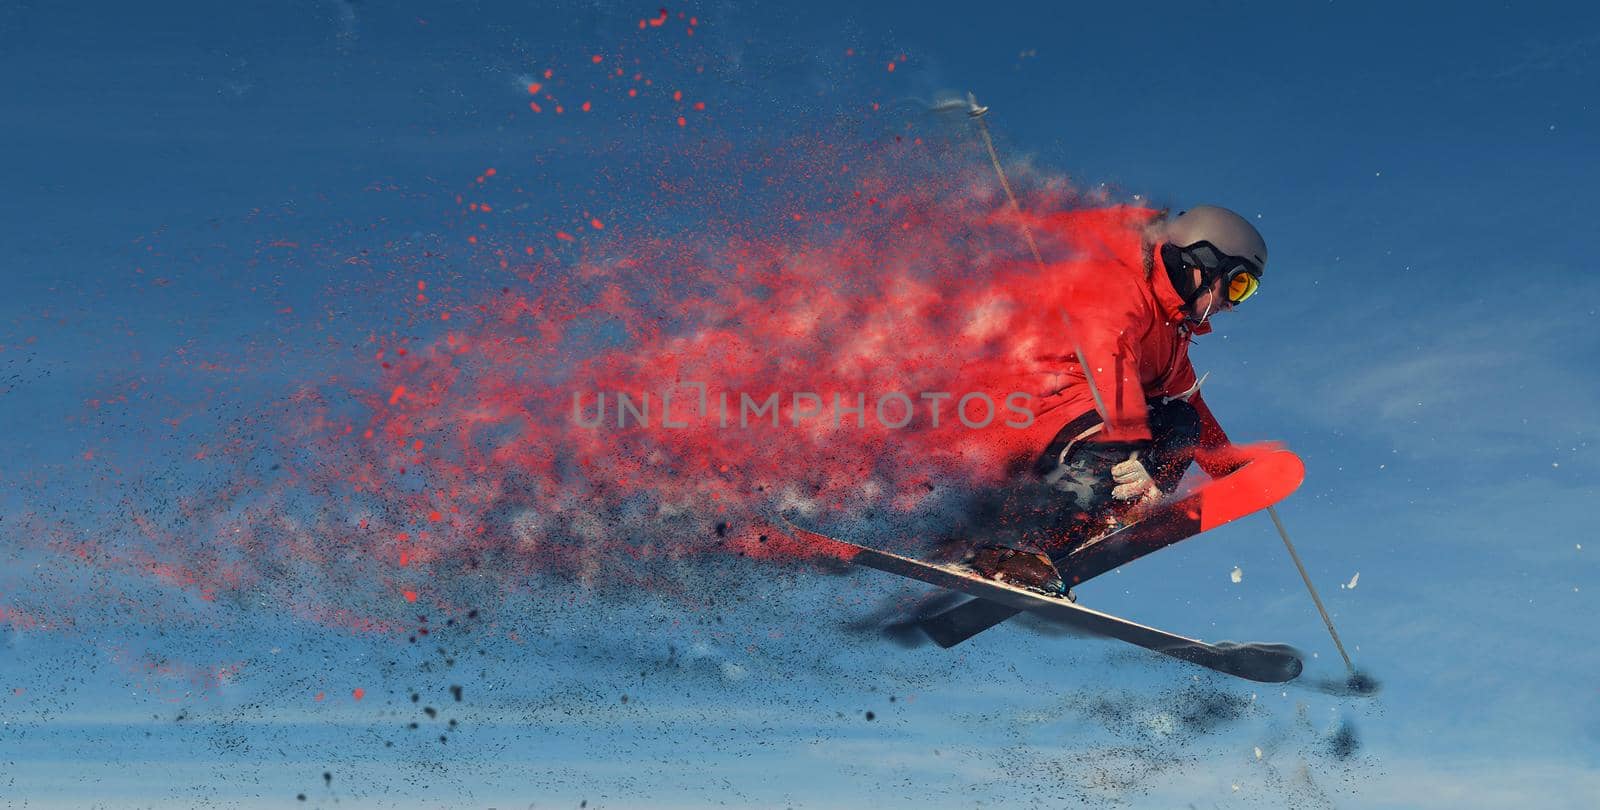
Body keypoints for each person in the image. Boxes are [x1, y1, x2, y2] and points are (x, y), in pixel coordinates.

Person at [966, 205, 1268, 596]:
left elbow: (1188, 401)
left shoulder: (1172, 333)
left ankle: (1071, 533)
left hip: (1075, 424)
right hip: (1020, 414)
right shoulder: (1123, 286)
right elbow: (1108, 356)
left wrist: (1228, 465)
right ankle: (1013, 544)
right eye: (1238, 284)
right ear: (1203, 262)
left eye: (1249, 292)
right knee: (1122, 439)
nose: (1234, 304)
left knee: (1179, 422)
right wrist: (1131, 439)